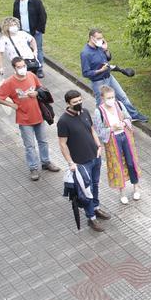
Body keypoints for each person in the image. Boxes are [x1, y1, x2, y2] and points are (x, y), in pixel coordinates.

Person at [0, 56, 60, 181]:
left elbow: (40, 88)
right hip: (24, 119)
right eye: (19, 67)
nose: (22, 69)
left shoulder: (31, 75)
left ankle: (46, 162)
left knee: (43, 141)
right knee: (30, 146)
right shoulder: (9, 82)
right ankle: (33, 168)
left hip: (38, 115)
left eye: (23, 66)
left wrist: (37, 93)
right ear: (14, 68)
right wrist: (11, 105)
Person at [57, 90, 110, 232]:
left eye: (80, 100)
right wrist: (70, 163)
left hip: (95, 157)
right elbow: (62, 144)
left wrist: (99, 146)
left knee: (95, 185)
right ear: (68, 104)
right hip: (81, 163)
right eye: (75, 102)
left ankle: (96, 207)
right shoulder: (63, 121)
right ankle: (91, 218)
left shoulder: (85, 112)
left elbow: (92, 130)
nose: (79, 104)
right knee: (87, 191)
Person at [79, 28, 148, 121]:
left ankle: (134, 115)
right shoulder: (85, 53)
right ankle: (102, 122)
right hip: (98, 82)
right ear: (92, 38)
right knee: (102, 104)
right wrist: (100, 70)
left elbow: (108, 58)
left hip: (109, 77)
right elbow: (85, 73)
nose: (101, 40)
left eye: (102, 38)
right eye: (99, 38)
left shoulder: (100, 47)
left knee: (122, 96)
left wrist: (106, 50)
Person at [95, 84, 141, 205]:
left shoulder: (119, 105)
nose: (111, 100)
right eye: (108, 98)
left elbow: (128, 118)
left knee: (131, 162)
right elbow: (99, 130)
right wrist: (111, 128)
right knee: (118, 164)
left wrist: (124, 123)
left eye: (112, 97)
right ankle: (122, 192)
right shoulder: (98, 111)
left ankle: (136, 187)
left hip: (125, 136)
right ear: (102, 98)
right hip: (112, 140)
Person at [11, 0, 47, 67]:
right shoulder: (16, 3)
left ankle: (39, 68)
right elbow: (15, 17)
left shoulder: (36, 1)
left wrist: (39, 30)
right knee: (24, 50)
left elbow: (43, 16)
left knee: (37, 49)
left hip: (35, 31)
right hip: (22, 32)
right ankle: (28, 67)